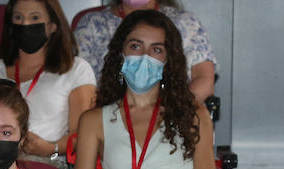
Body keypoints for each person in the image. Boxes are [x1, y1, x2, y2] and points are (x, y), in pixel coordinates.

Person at [71, 9, 217, 169]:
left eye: (157, 50)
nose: (145, 57)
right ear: (120, 53)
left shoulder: (194, 114)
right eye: (136, 46)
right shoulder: (93, 120)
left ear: (168, 60)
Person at [0, 0, 94, 160]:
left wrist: (51, 148)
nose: (25, 24)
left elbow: (82, 135)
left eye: (35, 18)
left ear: (52, 26)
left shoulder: (76, 69)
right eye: (18, 18)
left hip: (42, 162)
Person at [73, 0, 215, 105]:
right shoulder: (91, 24)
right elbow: (78, 82)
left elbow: (204, 80)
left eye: (157, 49)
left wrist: (171, 112)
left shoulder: (187, 22)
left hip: (172, 117)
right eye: (135, 46)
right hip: (108, 118)